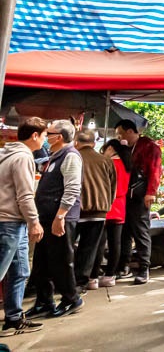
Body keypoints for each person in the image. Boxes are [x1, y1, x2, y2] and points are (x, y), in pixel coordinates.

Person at [26, 120, 84, 319]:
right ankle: (44, 300)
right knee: (42, 261)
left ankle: (71, 298)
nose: (45, 136)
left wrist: (61, 215)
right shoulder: (55, 156)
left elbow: (72, 188)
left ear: (58, 137)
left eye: (48, 133)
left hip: (60, 217)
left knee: (61, 260)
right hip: (47, 215)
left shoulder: (70, 156)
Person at [0, 118, 46, 336]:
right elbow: (25, 195)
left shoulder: (7, 153)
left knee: (20, 271)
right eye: (44, 135)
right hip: (9, 222)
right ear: (35, 135)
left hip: (12, 222)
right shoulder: (22, 157)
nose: (45, 140)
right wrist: (34, 221)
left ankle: (14, 318)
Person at [115, 118, 162, 285]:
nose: (119, 137)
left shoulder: (149, 147)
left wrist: (151, 192)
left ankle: (144, 268)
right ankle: (124, 266)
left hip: (140, 195)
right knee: (125, 231)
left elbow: (155, 170)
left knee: (140, 230)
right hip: (125, 196)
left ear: (130, 131)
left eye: (120, 134)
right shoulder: (126, 148)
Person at [72, 130, 116, 291]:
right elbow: (113, 187)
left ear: (76, 142)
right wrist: (106, 206)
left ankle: (66, 281)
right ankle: (80, 283)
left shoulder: (73, 158)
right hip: (99, 211)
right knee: (89, 249)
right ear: (94, 143)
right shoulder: (106, 160)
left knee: (67, 247)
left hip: (76, 210)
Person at [95, 140, 130, 287]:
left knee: (99, 243)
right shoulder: (127, 164)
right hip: (120, 207)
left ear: (110, 148)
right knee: (116, 243)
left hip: (105, 206)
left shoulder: (108, 164)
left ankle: (93, 276)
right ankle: (110, 275)